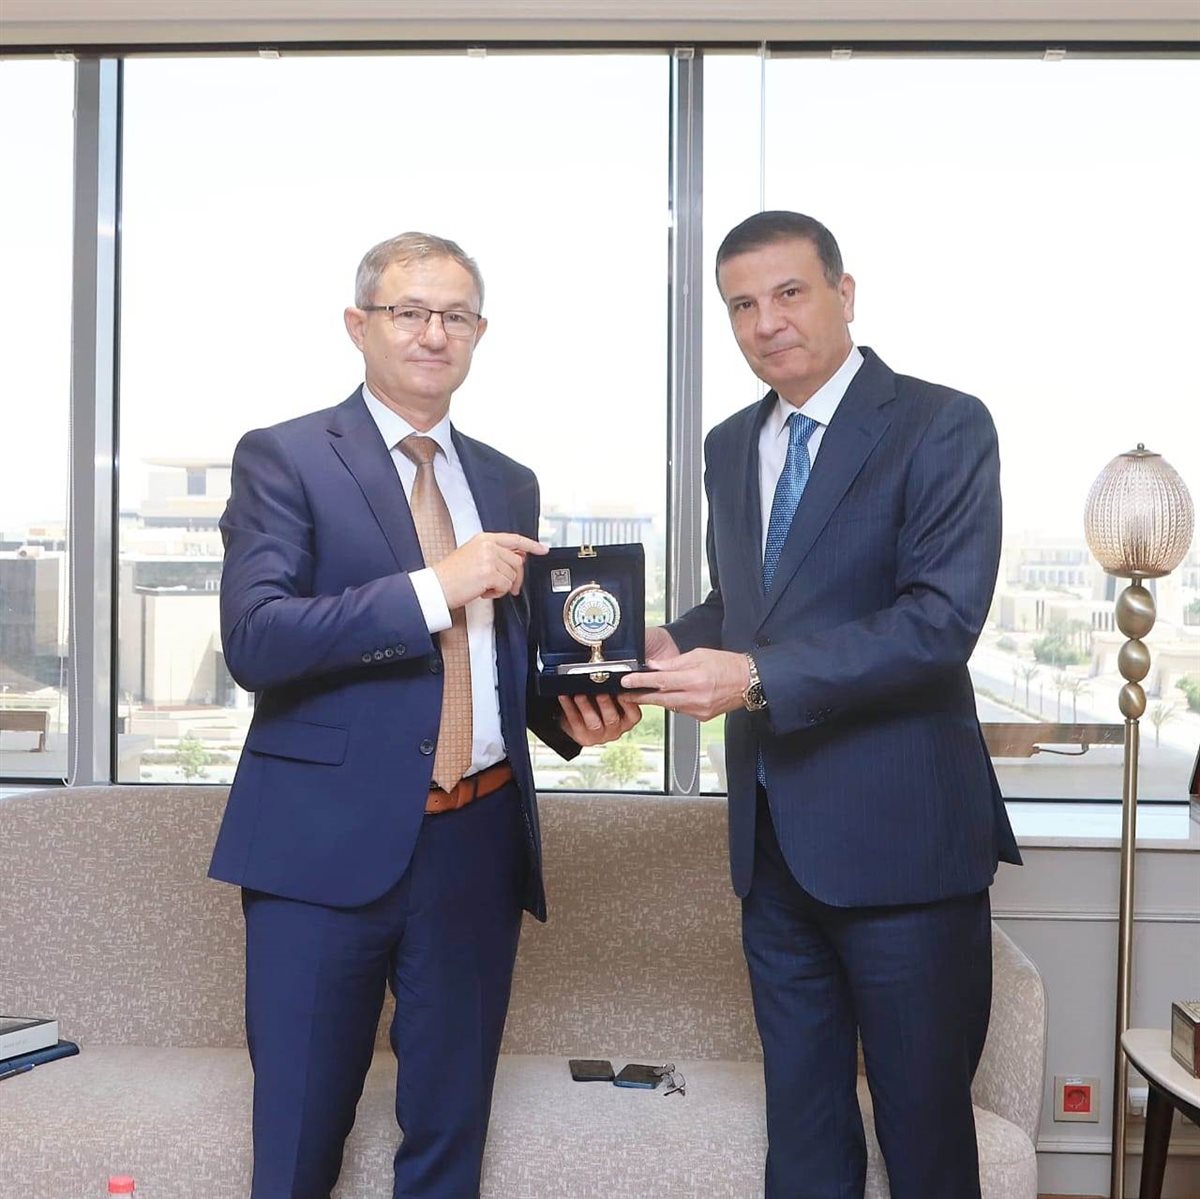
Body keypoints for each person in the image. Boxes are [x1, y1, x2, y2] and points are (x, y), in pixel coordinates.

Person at [210, 231, 640, 1199]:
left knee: (450, 1140)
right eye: (409, 311)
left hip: (474, 843)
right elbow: (256, 639)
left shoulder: (506, 477)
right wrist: (434, 586)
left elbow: (501, 658)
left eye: (456, 316)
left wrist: (575, 718)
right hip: (319, 848)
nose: (433, 333)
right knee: (296, 1144)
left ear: (480, 333)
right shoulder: (284, 457)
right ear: (358, 324)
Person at [624, 211, 1021, 1199]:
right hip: (773, 847)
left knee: (925, 1137)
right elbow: (748, 604)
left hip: (905, 846)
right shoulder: (729, 444)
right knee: (801, 1135)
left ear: (845, 293)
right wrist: (673, 639)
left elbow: (938, 622)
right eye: (741, 305)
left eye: (789, 292)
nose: (766, 322)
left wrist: (754, 679)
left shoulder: (941, 423)